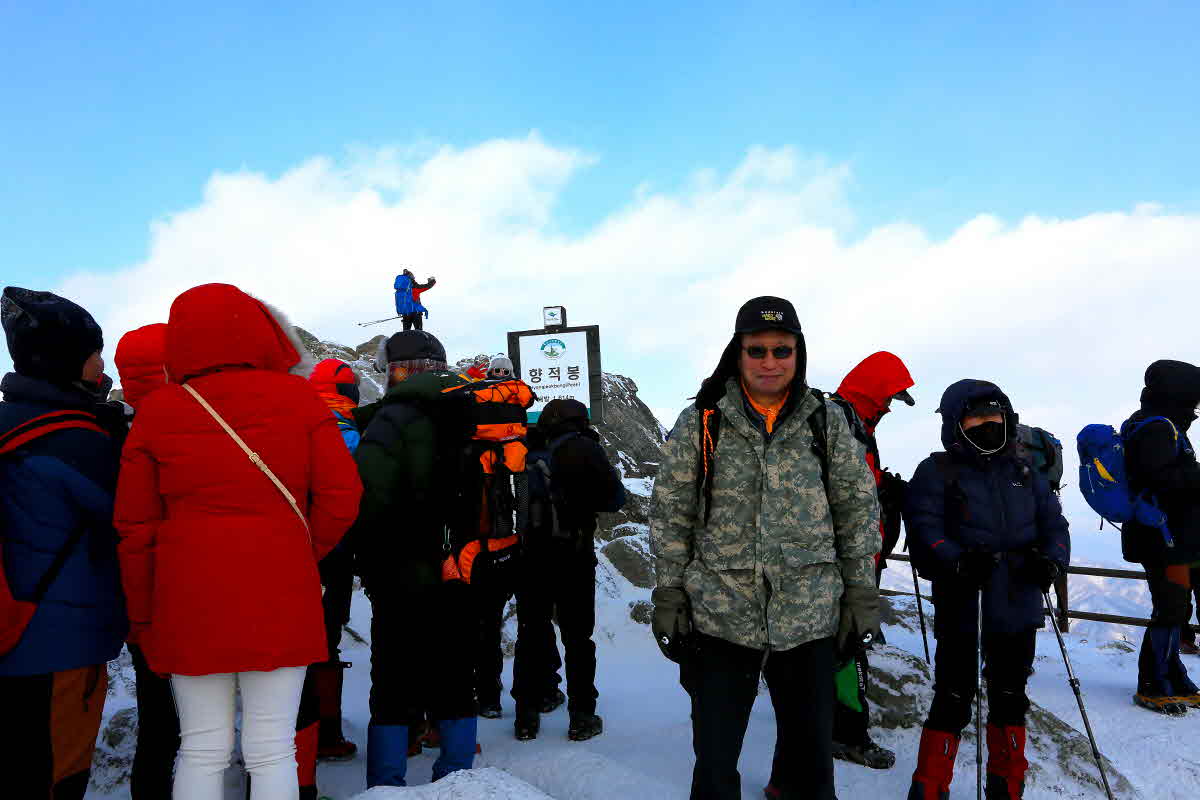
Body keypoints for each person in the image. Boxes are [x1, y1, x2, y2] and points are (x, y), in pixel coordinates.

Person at [114, 283, 362, 800]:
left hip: (188, 601)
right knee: (273, 749)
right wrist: (300, 553)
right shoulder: (300, 399)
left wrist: (142, 618)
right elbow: (342, 497)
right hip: (281, 593)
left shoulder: (158, 411)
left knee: (201, 748)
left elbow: (135, 530)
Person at [650, 296, 881, 800]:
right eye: (757, 350)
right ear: (738, 354)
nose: (770, 362)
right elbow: (671, 512)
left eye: (782, 350)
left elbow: (857, 509)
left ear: (799, 353)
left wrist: (860, 593)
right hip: (720, 614)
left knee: (811, 763)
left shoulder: (825, 421)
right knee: (715, 760)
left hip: (809, 615)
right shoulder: (703, 421)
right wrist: (669, 593)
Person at [904, 380, 1070, 800]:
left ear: (1007, 418)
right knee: (953, 697)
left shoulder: (1026, 472)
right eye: (975, 418)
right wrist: (957, 560)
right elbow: (924, 529)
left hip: (1018, 602)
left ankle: (1006, 788)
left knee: (1011, 697)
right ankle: (929, 789)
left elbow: (1055, 526)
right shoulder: (937, 472)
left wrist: (1052, 561)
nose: (987, 424)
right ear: (955, 424)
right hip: (965, 602)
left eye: (993, 415)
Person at [0, 287, 129, 799]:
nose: (102, 363)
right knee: (56, 777)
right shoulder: (78, 442)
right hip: (56, 647)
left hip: (10, 628)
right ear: (66, 360)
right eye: (95, 352)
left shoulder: (12, 422)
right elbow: (129, 517)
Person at [352, 330, 479, 787]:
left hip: (400, 570)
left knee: (392, 675)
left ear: (398, 371)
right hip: (464, 565)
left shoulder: (390, 420)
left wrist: (368, 564)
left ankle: (386, 785)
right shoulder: (474, 408)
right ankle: (459, 779)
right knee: (455, 670)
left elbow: (369, 501)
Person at [511, 398, 626, 741]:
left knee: (531, 633)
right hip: (574, 556)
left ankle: (526, 717)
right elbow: (614, 499)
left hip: (530, 555)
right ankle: (582, 716)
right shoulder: (584, 448)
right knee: (577, 638)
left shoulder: (526, 449)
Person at [828, 351, 916, 771]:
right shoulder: (840, 424)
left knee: (842, 645)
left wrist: (884, 490)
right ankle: (848, 736)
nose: (889, 407)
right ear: (872, 390)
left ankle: (833, 727)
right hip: (845, 565)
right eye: (888, 398)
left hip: (859, 560)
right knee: (847, 647)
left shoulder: (857, 426)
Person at [113, 322, 181, 799]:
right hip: (190, 599)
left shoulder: (118, 432)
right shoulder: (189, 430)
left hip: (140, 604)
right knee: (204, 727)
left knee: (158, 722)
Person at [1120, 360, 1200, 713]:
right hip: (1163, 537)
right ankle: (1152, 683)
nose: (1196, 408)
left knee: (1176, 608)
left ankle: (1173, 676)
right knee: (1169, 608)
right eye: (1193, 399)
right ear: (1178, 394)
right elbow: (1160, 479)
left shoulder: (1159, 424)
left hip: (1171, 536)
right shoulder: (1157, 428)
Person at [305, 358, 363, 761]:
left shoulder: (294, 423)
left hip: (290, 550)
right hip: (334, 551)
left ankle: (300, 735)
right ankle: (325, 734)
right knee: (326, 641)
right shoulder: (351, 434)